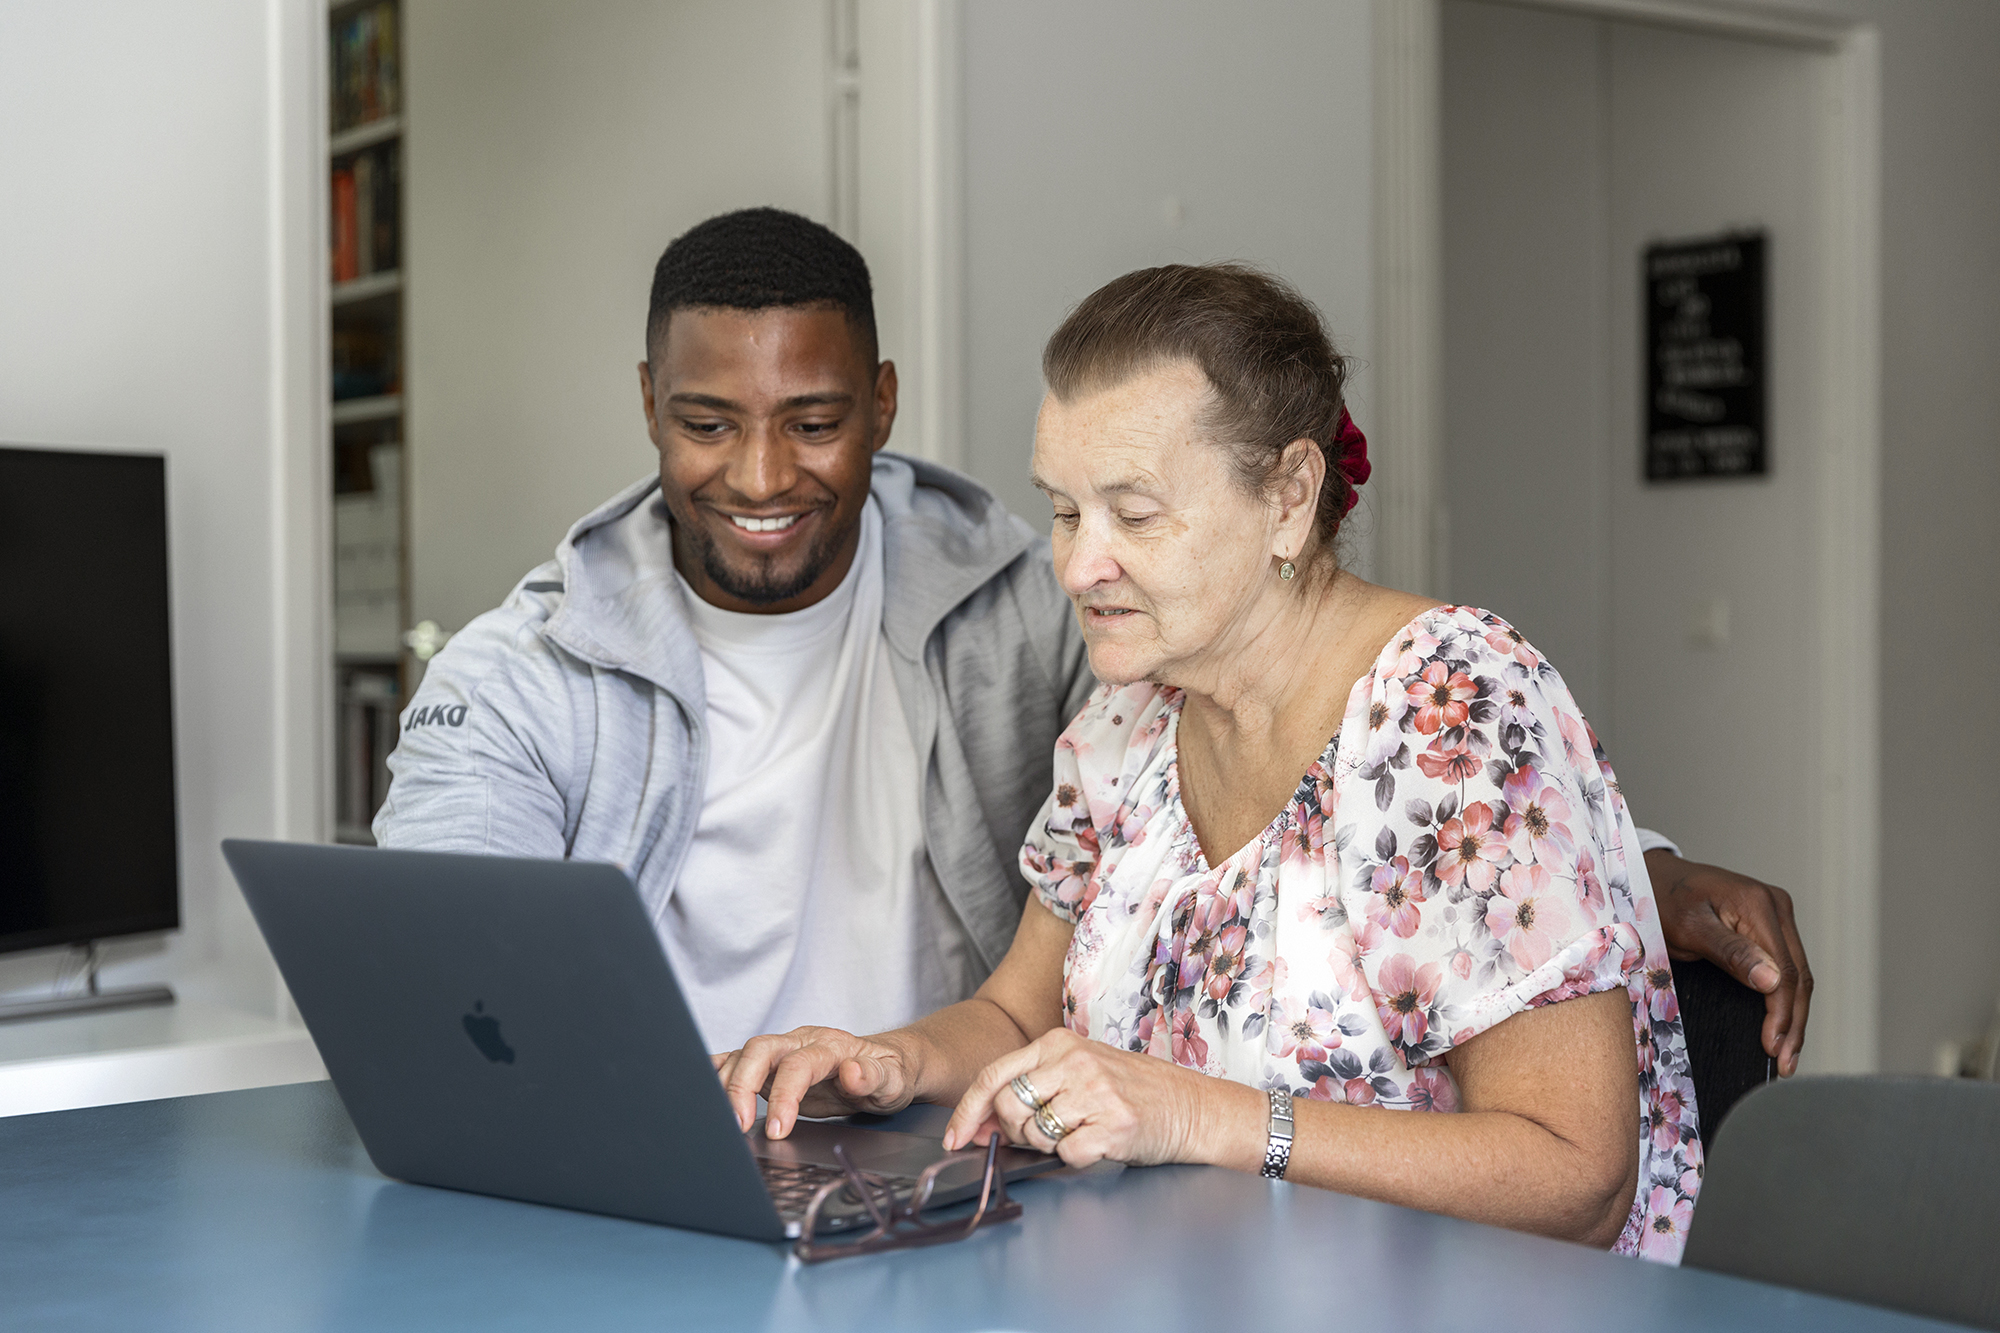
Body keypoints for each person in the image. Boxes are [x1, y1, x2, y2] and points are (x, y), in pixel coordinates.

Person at [376, 207, 1812, 1072]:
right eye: (706, 422)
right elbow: (446, 984)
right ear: (646, 405)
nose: (760, 475)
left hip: (941, 1147)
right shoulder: (526, 672)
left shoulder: (1022, 596)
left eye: (812, 422)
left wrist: (1636, 868)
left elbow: (1359, 740)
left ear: (881, 403)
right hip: (697, 1145)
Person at [720, 263, 1707, 1261]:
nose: (1075, 565)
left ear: (1285, 498)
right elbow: (1015, 1011)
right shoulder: (1128, 718)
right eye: (1063, 511)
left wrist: (1202, 1118)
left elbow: (1574, 1174)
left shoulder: (1446, 710)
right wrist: (887, 1060)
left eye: (1132, 514)